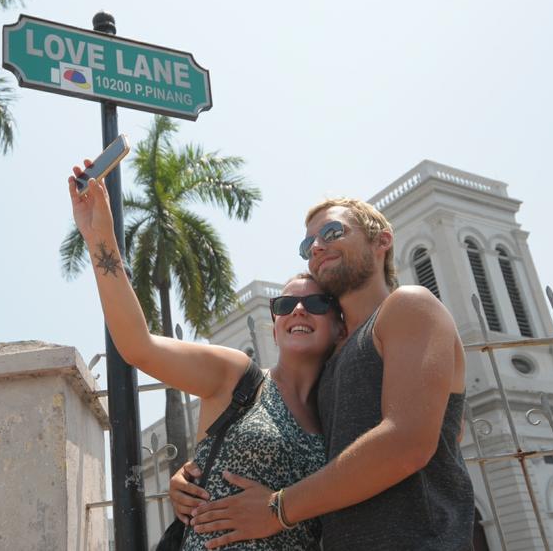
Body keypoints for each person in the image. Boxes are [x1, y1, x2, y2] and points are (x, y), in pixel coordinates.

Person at [170, 198, 474, 550]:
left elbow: (408, 442)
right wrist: (198, 471)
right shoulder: (333, 359)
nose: (316, 247)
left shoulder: (409, 305)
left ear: (382, 240)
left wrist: (277, 509)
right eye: (307, 245)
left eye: (332, 232)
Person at [67, 166, 345, 550]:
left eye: (315, 303)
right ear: (275, 326)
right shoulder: (237, 377)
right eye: (284, 305)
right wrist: (101, 238)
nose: (298, 309)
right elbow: (137, 346)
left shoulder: (338, 412)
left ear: (340, 327)